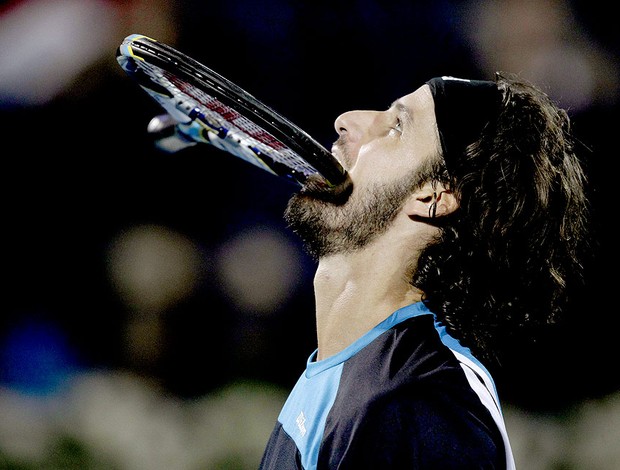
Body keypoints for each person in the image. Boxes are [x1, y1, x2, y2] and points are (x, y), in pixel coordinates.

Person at [258, 72, 590, 470]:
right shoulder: (361, 380)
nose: (345, 119)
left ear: (435, 195)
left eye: (397, 126)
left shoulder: (421, 407)